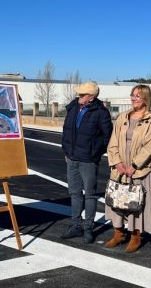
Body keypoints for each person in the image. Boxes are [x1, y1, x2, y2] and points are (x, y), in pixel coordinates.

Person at [104, 85, 151, 252]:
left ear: (146, 98)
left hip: (140, 169)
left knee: (137, 202)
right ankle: (118, 233)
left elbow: (149, 146)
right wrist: (117, 162)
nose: (134, 98)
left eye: (138, 96)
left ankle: (135, 235)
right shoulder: (123, 117)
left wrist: (134, 165)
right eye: (132, 95)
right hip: (120, 167)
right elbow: (113, 142)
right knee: (117, 200)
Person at [61, 81, 112, 244]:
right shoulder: (73, 107)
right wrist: (67, 152)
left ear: (91, 97)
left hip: (88, 160)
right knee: (74, 193)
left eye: (82, 95)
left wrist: (94, 153)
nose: (79, 96)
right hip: (72, 158)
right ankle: (76, 225)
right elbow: (66, 131)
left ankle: (88, 228)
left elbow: (107, 136)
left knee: (89, 195)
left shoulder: (101, 113)